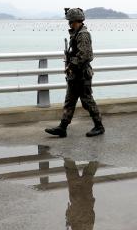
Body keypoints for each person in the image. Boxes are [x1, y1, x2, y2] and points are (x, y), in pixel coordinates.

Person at [45, 8, 105, 138]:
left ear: (75, 21)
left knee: (87, 101)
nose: (69, 24)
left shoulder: (83, 35)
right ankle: (62, 127)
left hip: (82, 75)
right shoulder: (76, 34)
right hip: (74, 75)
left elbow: (86, 55)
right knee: (69, 102)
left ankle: (99, 126)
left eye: (70, 21)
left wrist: (71, 65)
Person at [64, 159, 99, 230]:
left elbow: (92, 216)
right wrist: (68, 216)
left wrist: (68, 218)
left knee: (85, 178)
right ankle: (94, 158)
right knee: (82, 178)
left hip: (82, 202)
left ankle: (94, 159)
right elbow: (91, 217)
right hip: (81, 201)